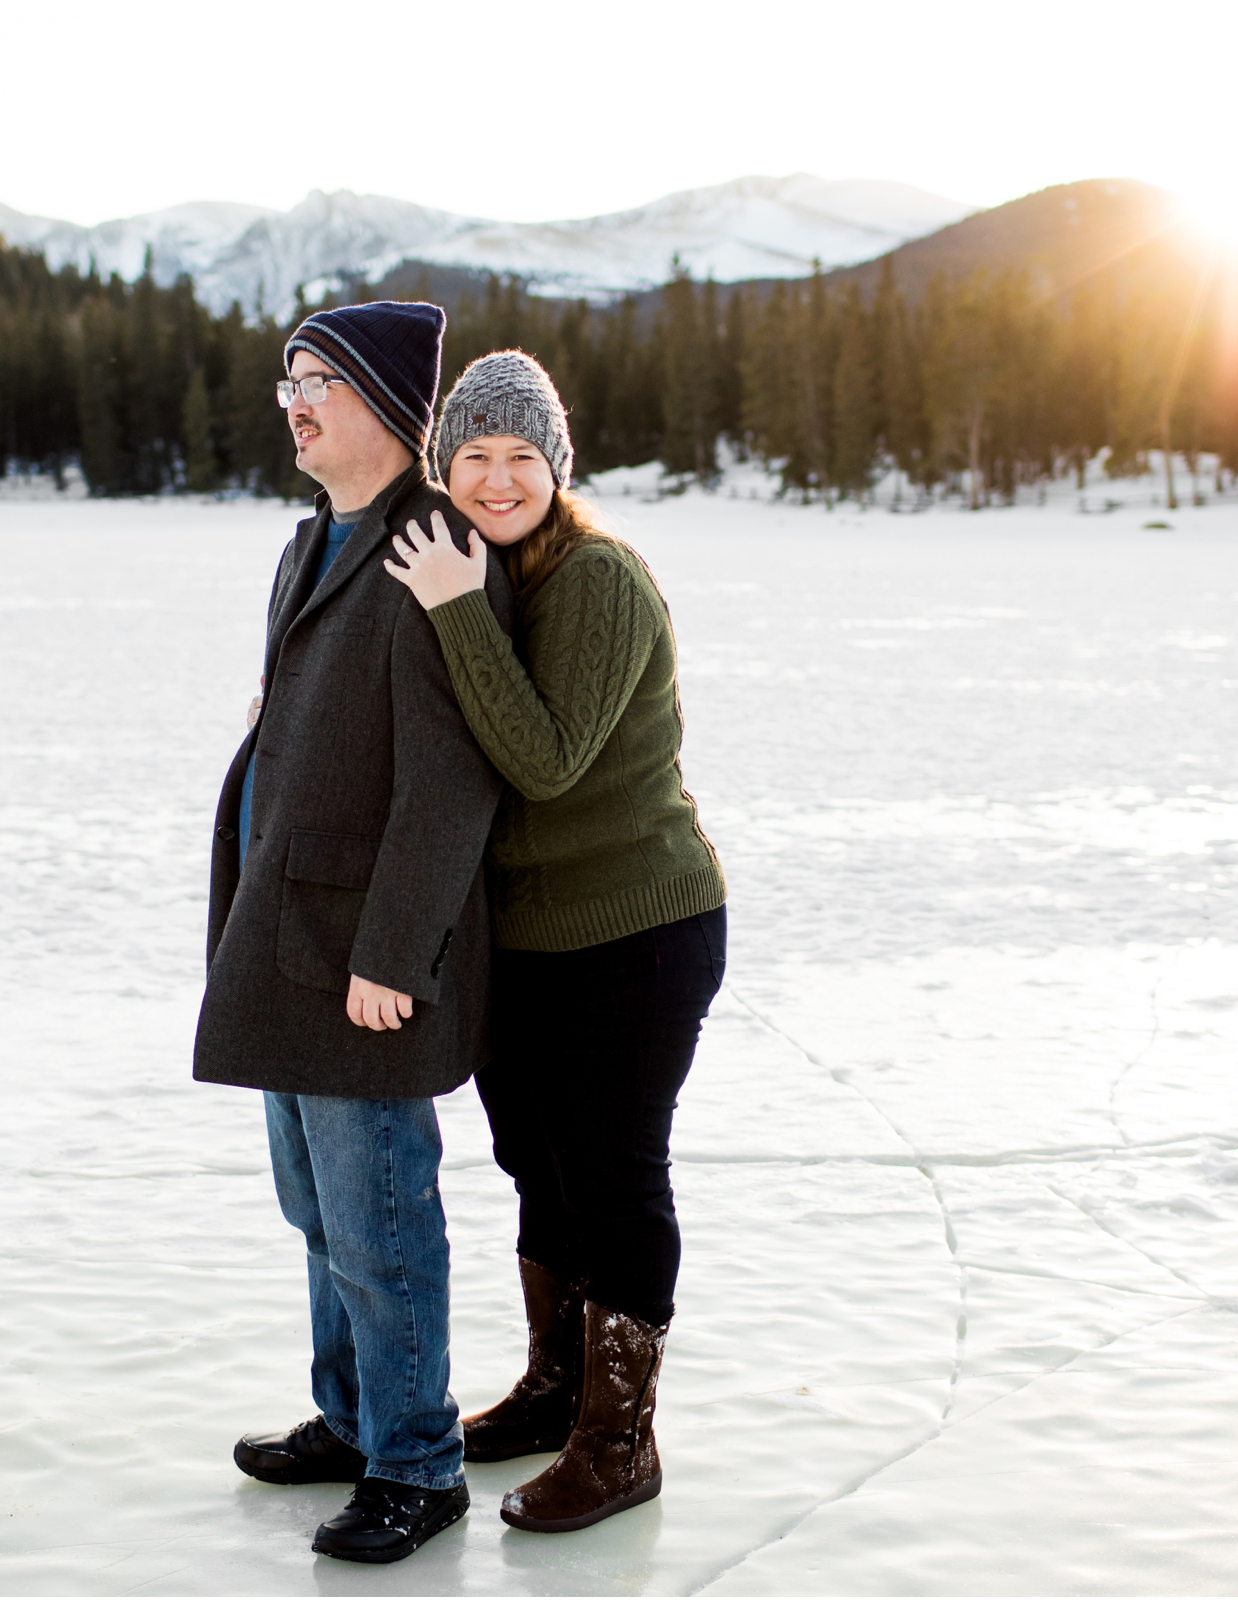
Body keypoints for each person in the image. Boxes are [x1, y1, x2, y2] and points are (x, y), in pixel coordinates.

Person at [384, 350, 727, 1534]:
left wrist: (453, 608)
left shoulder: (593, 580)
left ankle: (619, 1440)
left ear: (557, 466)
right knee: (540, 1162)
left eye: (521, 456)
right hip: (529, 934)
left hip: (638, 925)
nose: (496, 477)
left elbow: (541, 757)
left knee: (615, 1172)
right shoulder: (493, 565)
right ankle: (554, 1387)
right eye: (473, 455)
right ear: (444, 466)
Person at [193, 301, 514, 1566]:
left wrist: (393, 951)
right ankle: (351, 1414)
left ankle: (417, 1464)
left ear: (385, 401)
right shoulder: (308, 541)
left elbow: (452, 781)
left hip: (364, 960)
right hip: (282, 927)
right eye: (288, 381)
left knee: (382, 1215)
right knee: (315, 1206)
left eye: (317, 379)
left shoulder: (430, 544)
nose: (294, 402)